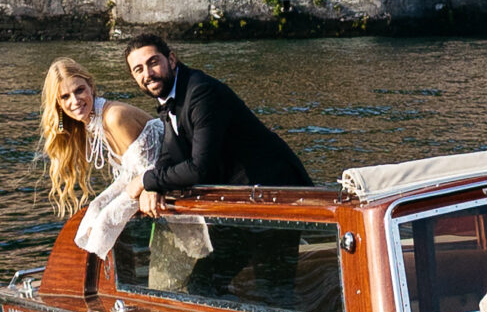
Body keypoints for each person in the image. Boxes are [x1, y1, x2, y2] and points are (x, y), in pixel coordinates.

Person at [123, 34, 311, 203]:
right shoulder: (173, 93)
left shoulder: (201, 92)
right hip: (243, 192)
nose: (147, 74)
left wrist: (146, 180)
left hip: (276, 190)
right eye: (138, 69)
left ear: (171, 60)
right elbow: (170, 151)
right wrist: (153, 185)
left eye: (153, 62)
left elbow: (199, 168)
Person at [37, 56, 150, 218]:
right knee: (95, 211)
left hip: (179, 179)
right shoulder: (89, 123)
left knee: (102, 216)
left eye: (79, 90)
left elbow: (146, 171)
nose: (75, 101)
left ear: (91, 86)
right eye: (65, 97)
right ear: (58, 104)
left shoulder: (113, 117)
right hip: (153, 180)